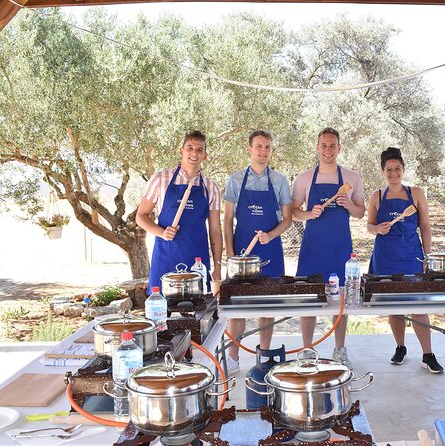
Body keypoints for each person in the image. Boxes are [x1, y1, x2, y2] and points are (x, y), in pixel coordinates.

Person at [292, 127, 366, 369]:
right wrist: (308, 213)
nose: (327, 150)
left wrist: (348, 205)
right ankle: (306, 350)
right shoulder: (303, 178)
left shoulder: (351, 178)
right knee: (309, 298)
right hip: (312, 248)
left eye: (332, 145)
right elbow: (293, 211)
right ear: (317, 147)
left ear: (339, 148)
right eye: (323, 145)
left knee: (341, 299)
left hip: (340, 246)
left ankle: (340, 349)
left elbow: (361, 212)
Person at [367, 147, 443, 374]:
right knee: (394, 307)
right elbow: (369, 226)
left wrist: (427, 257)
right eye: (389, 169)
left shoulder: (416, 194)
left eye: (397, 169)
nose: (393, 173)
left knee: (418, 306)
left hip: (411, 255)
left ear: (403, 169)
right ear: (383, 171)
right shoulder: (377, 196)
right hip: (385, 257)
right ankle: (400, 347)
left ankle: (428, 355)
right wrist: (377, 229)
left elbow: (426, 227)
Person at [223, 130, 293, 374]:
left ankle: (264, 355)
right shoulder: (235, 180)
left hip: (271, 251)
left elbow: (288, 219)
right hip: (241, 253)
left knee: (267, 305)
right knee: (238, 308)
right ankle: (232, 357)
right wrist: (231, 256)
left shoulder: (279, 181)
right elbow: (228, 219)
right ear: (249, 149)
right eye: (259, 147)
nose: (263, 152)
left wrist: (271, 235)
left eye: (268, 148)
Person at [136, 130, 223, 295]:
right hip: (165, 257)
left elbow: (215, 230)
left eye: (199, 150)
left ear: (205, 155)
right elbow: (140, 216)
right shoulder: (161, 179)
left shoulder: (211, 187)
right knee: (162, 312)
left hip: (197, 261)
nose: (194, 153)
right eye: (190, 148)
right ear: (181, 151)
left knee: (198, 313)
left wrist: (217, 266)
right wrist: (161, 232)